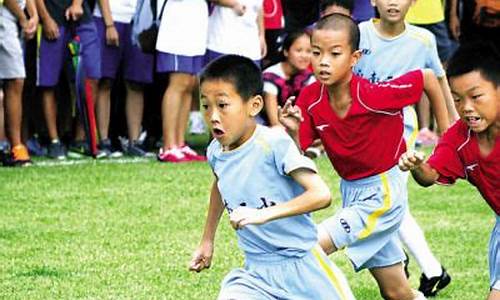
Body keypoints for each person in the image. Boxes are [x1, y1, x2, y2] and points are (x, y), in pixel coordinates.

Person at [279, 13, 449, 300]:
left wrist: (446, 134)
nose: (323, 61)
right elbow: (300, 159)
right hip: (352, 193)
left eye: (335, 54)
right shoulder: (310, 98)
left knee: (307, 247)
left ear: (355, 57)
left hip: (383, 193)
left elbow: (427, 78)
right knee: (397, 293)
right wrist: (293, 132)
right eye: (316, 52)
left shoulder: (374, 95)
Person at [189, 54, 354, 300]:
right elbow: (221, 184)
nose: (213, 115)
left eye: (222, 105)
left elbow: (321, 195)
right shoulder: (215, 151)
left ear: (254, 106)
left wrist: (261, 215)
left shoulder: (273, 142)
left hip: (304, 267)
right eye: (205, 106)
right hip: (256, 273)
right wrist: (207, 240)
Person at [353, 0, 456, 295]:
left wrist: (452, 128)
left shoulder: (423, 40)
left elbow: (438, 80)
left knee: (388, 200)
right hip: (361, 131)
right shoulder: (358, 33)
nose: (393, 2)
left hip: (399, 131)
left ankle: (422, 268)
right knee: (386, 201)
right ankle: (429, 269)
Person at [398, 42, 500, 300]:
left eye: (476, 97)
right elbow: (430, 176)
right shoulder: (459, 138)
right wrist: (417, 165)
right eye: (457, 99)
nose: (465, 107)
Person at [35, 0, 101, 159]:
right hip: (52, 17)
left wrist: (77, 4)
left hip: (81, 17)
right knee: (48, 83)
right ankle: (54, 140)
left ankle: (79, 137)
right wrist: (45, 18)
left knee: (92, 76)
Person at [94, 0, 153, 157]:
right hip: (110, 18)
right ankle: (104, 140)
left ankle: (134, 141)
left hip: (139, 20)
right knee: (105, 81)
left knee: (136, 83)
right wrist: (109, 24)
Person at [155, 0, 208, 163]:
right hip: (178, 25)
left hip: (196, 22)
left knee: (190, 83)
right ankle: (168, 146)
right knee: (178, 83)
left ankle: (179, 143)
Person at [0, 0, 38, 166]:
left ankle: (14, 146)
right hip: (6, 13)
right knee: (13, 81)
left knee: (16, 79)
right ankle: (8, 146)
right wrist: (23, 19)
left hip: (14, 17)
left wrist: (34, 15)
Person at [262, 29, 314, 127]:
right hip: (268, 127)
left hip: (295, 127)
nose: (304, 56)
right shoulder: (271, 77)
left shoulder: (310, 78)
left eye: (309, 51)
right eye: (299, 50)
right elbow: (274, 123)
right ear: (286, 52)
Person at [206, 0, 267, 66]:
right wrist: (233, 4)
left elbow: (259, 7)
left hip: (251, 48)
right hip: (221, 44)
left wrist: (261, 35)